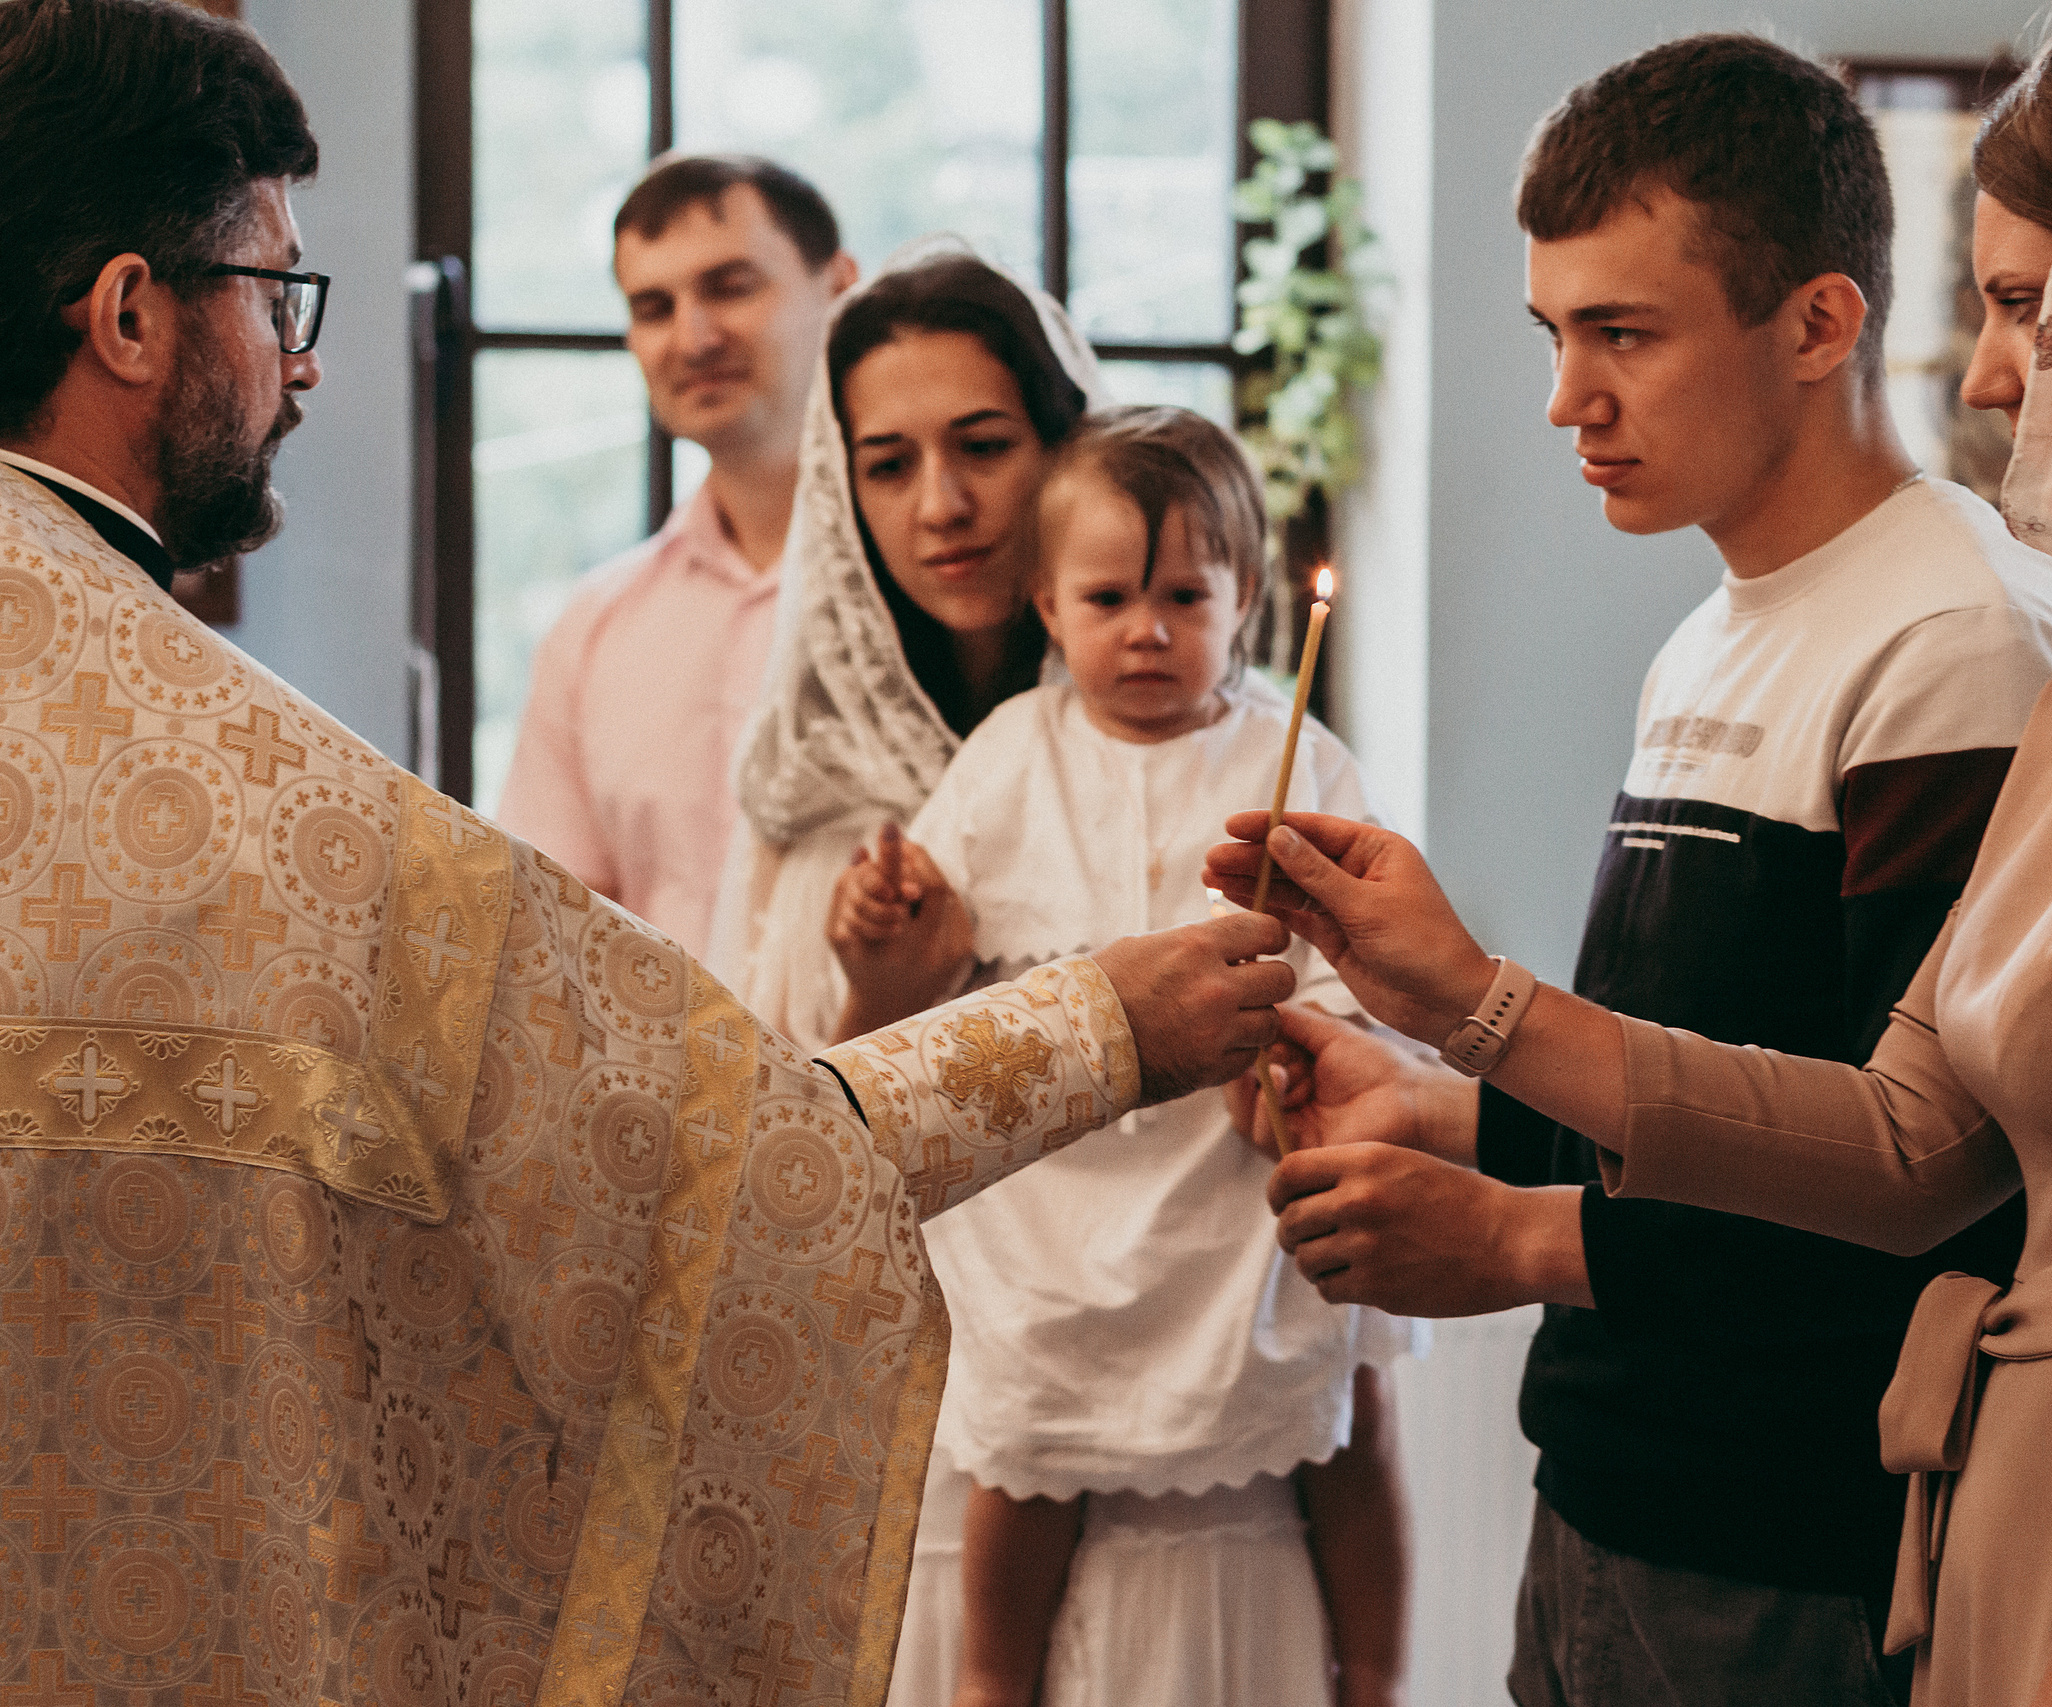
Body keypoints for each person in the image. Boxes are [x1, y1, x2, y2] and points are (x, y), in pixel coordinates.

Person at [1213, 3, 2052, 1704]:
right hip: (2023, 1517)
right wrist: (1464, 1015)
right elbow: (1910, 1130)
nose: (1990, 375)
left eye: (2025, 305)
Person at [0, 6, 1293, 1707]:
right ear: (131, 313)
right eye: (278, 296)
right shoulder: (252, 801)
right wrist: (1102, 1027)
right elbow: (674, 1146)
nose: (303, 362)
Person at [1267, 34, 2052, 1706]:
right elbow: (1700, 1095)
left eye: (1623, 334)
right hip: (1616, 1498)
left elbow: (1920, 1188)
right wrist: (1420, 1094)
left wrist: (1507, 1237)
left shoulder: (1956, 641)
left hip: (1791, 1538)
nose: (1571, 397)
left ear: (1817, 323)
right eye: (1556, 334)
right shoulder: (1715, 632)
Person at [837, 405, 1416, 1707]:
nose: (1146, 627)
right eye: (1109, 595)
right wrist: (890, 917)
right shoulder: (1009, 757)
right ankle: (996, 1673)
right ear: (1046, 600)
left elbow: (1356, 972)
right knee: (1021, 1430)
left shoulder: (1295, 757)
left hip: (1233, 1178)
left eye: (1183, 594)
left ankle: (1373, 1666)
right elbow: (929, 958)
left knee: (1349, 1392)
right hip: (1063, 1186)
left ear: (1248, 597)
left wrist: (1298, 1057)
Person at [710, 238, 1080, 1053]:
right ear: (844, 497)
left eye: (983, 447)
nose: (941, 505)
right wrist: (884, 999)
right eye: (888, 465)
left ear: (1063, 450)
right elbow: (772, 1145)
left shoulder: (1171, 740)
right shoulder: (816, 788)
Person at [496, 153, 858, 960]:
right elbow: (541, 936)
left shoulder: (936, 588)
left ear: (839, 286)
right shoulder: (593, 631)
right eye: (654, 306)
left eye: (731, 287)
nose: (693, 337)